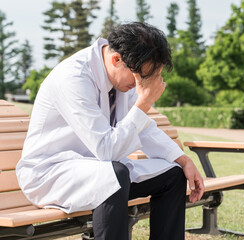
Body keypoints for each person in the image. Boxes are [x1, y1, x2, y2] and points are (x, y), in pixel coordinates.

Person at [16, 22, 205, 240]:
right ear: (117, 60)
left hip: (99, 170)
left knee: (172, 174)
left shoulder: (124, 76)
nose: (140, 86)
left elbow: (142, 126)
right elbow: (106, 150)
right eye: (141, 77)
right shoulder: (73, 78)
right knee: (114, 174)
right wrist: (143, 103)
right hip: (50, 174)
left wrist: (184, 160)